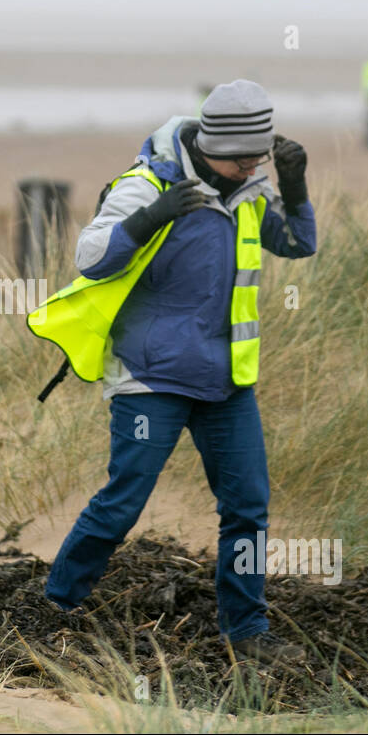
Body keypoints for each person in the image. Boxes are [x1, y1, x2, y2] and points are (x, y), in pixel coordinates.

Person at [41, 80, 318, 665]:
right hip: (151, 379)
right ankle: (54, 609)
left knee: (248, 507)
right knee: (123, 502)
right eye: (241, 157)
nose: (249, 167)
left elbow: (297, 244)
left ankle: (246, 631)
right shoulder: (145, 183)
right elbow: (89, 258)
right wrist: (151, 217)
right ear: (209, 142)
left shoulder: (250, 192)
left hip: (226, 383)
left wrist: (293, 186)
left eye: (259, 157)